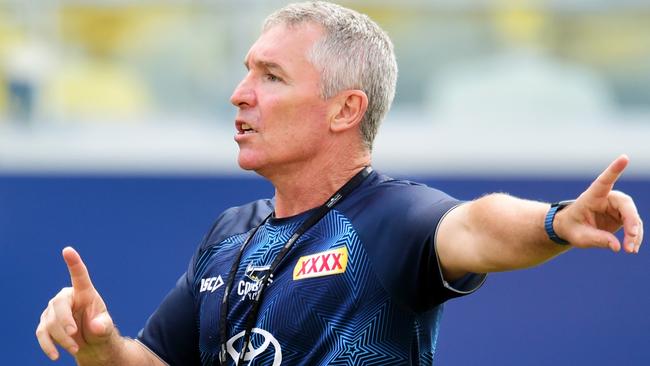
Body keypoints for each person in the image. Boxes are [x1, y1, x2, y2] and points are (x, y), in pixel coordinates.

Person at [36, 2, 644, 365]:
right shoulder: (230, 233)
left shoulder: (388, 219)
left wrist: (554, 221)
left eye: (271, 77)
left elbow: (477, 226)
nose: (239, 93)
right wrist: (100, 344)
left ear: (344, 109)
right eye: (246, 71)